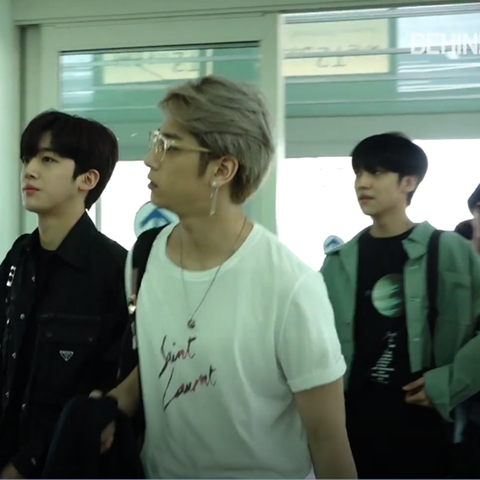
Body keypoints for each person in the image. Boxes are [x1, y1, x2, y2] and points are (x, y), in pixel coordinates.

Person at [100, 75, 356, 479]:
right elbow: (164, 360)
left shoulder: (291, 286)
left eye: (170, 146)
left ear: (222, 169)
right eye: (156, 141)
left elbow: (328, 441)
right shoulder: (145, 257)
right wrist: (111, 405)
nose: (150, 158)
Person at [321, 132, 480, 479]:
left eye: (376, 173)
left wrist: (450, 382)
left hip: (424, 420)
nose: (362, 183)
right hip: (352, 418)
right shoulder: (338, 262)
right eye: (358, 173)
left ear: (409, 182)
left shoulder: (449, 250)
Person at [0, 111, 134, 479]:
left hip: (64, 464)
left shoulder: (115, 270)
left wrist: (25, 465)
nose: (29, 171)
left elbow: (104, 393)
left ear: (87, 179)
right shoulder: (19, 257)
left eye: (47, 160)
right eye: (27, 159)